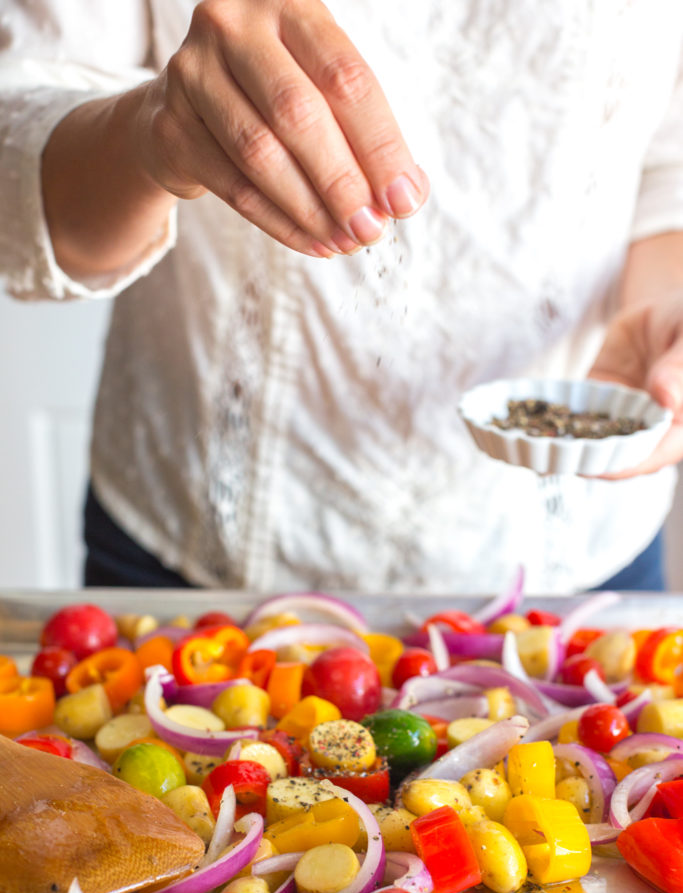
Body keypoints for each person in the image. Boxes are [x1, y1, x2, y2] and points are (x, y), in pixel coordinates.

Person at [2, 1, 683, 595]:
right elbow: (23, 182)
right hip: (189, 544)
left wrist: (665, 314)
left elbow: (667, 159)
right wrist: (153, 135)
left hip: (579, 549)